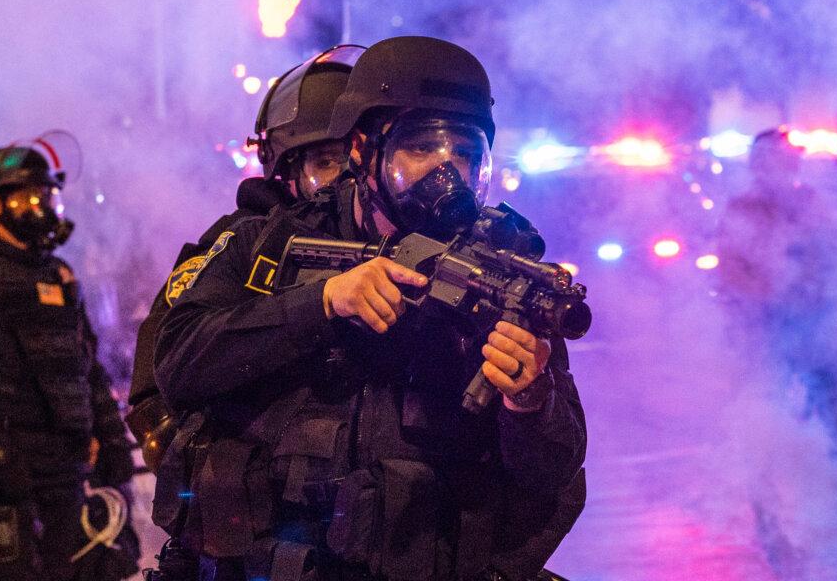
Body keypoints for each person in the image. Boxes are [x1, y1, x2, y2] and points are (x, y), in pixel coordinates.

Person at [151, 36, 587, 581]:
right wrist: (322, 303)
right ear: (362, 150)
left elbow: (556, 474)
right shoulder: (265, 242)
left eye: (466, 154)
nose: (446, 173)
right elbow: (175, 365)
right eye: (423, 149)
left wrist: (530, 400)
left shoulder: (499, 275)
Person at [125, 45, 364, 580]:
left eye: (354, 159)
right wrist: (216, 482)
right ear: (285, 168)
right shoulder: (244, 244)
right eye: (325, 163)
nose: (344, 180)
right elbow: (156, 380)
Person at [0, 143, 139, 581]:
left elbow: (87, 368)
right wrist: (2, 461)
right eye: (27, 197)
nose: (41, 207)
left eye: (46, 196)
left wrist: (112, 439)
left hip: (66, 473)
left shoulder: (58, 276)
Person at [717, 127, 837, 453]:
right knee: (770, 412)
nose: (781, 166)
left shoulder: (811, 202)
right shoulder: (743, 210)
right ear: (757, 165)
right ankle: (778, 485)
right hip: (766, 328)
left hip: (817, 320)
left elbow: (836, 251)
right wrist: (770, 296)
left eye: (786, 159)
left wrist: (822, 286)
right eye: (771, 159)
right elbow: (731, 270)